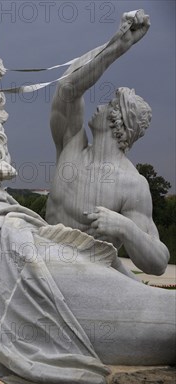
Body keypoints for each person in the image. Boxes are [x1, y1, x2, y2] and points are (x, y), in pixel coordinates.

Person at [46, 10, 169, 277]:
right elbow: (68, 88)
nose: (99, 106)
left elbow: (158, 262)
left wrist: (124, 227)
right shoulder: (72, 144)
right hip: (45, 268)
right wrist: (116, 47)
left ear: (118, 120)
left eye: (109, 104)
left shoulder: (132, 184)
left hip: (90, 281)